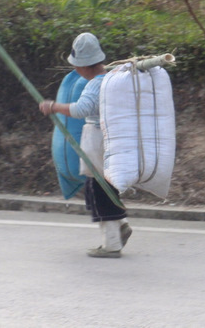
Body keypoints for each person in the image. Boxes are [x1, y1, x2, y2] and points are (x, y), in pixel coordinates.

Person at [39, 32, 132, 258]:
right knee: (104, 185)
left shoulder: (93, 85)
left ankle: (111, 244)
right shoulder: (112, 78)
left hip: (97, 139)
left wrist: (54, 107)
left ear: (82, 66)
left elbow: (81, 110)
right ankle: (121, 224)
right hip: (115, 137)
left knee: (99, 188)